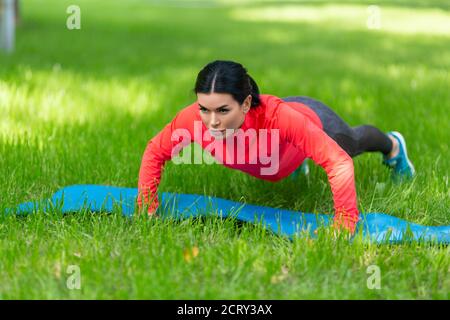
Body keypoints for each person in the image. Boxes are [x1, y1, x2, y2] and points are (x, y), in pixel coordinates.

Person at [137, 60, 415, 234]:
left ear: (245, 104)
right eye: (204, 109)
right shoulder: (190, 120)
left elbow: (338, 162)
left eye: (223, 110)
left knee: (351, 143)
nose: (212, 122)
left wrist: (344, 221)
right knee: (284, 152)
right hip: (283, 146)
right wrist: (147, 206)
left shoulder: (278, 118)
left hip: (309, 119)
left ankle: (392, 145)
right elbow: (154, 152)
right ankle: (298, 160)